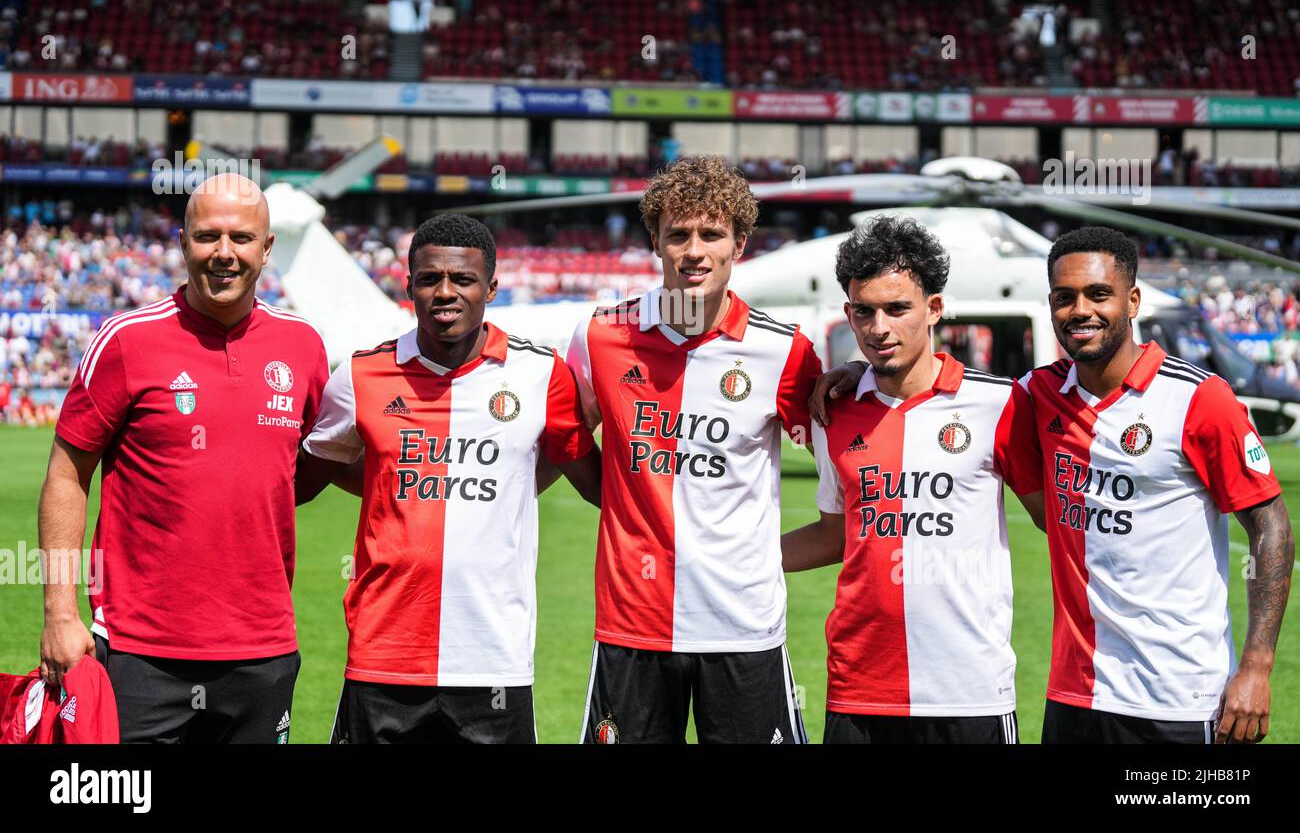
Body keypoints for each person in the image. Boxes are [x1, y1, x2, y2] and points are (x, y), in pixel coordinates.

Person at [38, 173, 329, 743]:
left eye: (242, 238)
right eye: (207, 237)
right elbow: (66, 476)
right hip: (140, 654)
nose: (224, 254)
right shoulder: (126, 339)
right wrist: (59, 613)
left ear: (267, 249)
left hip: (263, 649)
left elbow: (309, 462)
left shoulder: (304, 346)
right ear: (182, 242)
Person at [295, 214, 601, 744]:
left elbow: (592, 480)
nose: (445, 292)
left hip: (494, 663)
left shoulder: (540, 375)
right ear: (408, 284)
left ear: (491, 288)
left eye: (462, 279)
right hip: (382, 657)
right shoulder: (361, 377)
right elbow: (304, 480)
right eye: (429, 278)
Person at [566, 155, 822, 744]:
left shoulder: (784, 352)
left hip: (743, 628)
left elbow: (847, 453)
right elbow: (569, 439)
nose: (694, 251)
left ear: (740, 243)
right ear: (654, 241)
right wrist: (617, 501)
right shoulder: (601, 336)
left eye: (712, 234)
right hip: (634, 625)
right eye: (678, 234)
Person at [1022, 226, 1293, 743]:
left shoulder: (1198, 398)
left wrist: (1257, 667)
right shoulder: (1037, 394)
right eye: (1064, 297)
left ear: (1133, 300)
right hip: (1074, 695)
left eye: (1099, 294)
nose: (1081, 310)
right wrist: (860, 376)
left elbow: (1270, 525)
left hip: (1178, 698)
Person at [784, 216, 1044, 743]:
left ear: (934, 309)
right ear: (848, 315)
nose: (879, 328)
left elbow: (1057, 524)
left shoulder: (998, 405)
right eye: (865, 311)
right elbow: (836, 534)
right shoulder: (833, 412)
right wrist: (725, 559)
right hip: (859, 689)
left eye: (898, 309)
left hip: (969, 691)